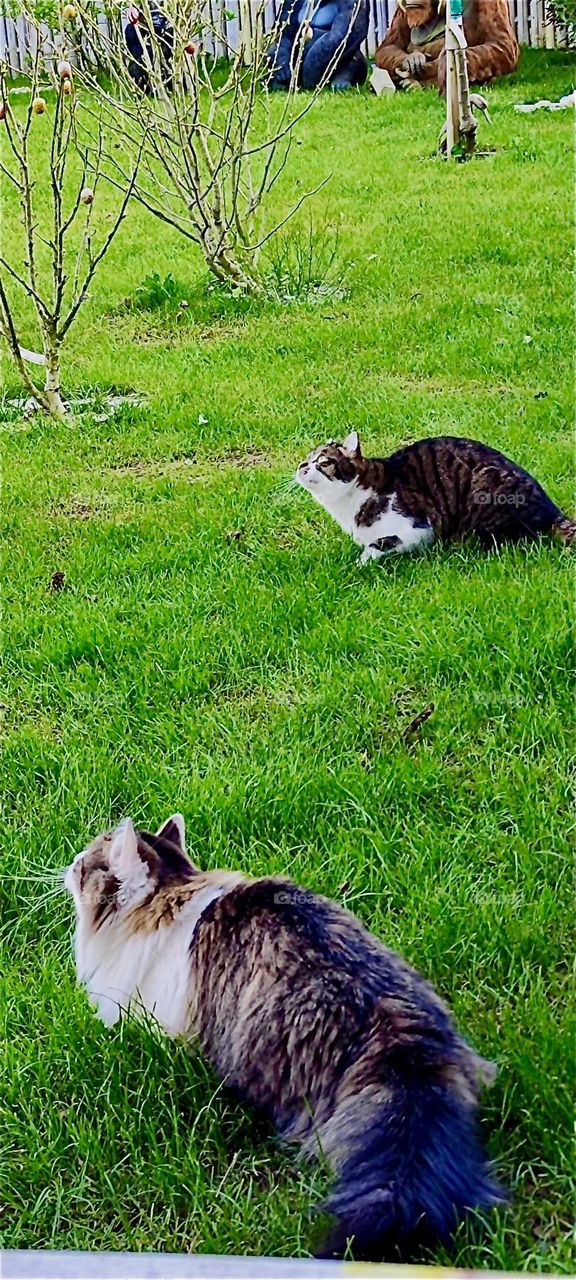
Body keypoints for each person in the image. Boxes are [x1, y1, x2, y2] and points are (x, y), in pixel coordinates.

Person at [374, 0, 519, 92]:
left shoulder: (485, 3)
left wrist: (452, 63)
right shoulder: (408, 7)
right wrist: (403, 59)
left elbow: (505, 51)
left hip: (454, 61)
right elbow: (386, 49)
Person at [268, 0, 369, 91]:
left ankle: (339, 79)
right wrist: (283, 61)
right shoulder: (295, 2)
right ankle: (289, 79)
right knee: (274, 53)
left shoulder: (351, 3)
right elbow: (282, 33)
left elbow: (344, 37)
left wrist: (310, 74)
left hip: (336, 60)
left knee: (352, 61)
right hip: (300, 53)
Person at [124, 5, 174, 94]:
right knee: (136, 68)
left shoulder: (166, 31)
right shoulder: (132, 29)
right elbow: (138, 56)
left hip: (164, 71)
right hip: (143, 70)